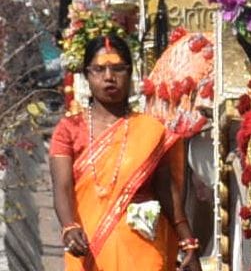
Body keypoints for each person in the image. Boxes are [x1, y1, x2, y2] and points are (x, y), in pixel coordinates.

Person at [49, 34, 201, 271]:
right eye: (99, 69)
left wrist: (187, 240)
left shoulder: (151, 130)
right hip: (89, 249)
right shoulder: (69, 130)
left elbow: (165, 190)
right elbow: (62, 187)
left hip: (142, 250)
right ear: (86, 76)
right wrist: (69, 226)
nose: (109, 77)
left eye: (118, 69)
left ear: (130, 74)